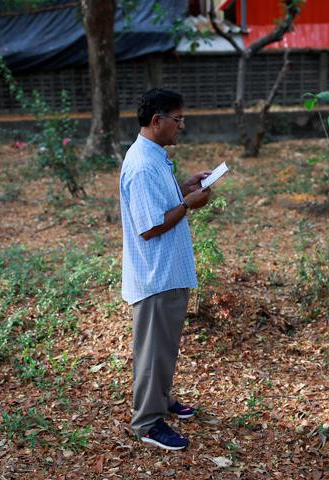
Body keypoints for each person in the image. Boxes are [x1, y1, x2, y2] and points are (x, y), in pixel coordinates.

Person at [119, 88, 211, 450]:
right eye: (178, 119)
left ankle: (161, 398)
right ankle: (147, 421)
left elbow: (158, 204)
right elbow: (150, 225)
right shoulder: (142, 165)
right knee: (153, 351)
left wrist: (183, 189)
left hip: (166, 271)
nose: (182, 126)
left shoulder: (154, 156)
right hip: (155, 276)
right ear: (157, 121)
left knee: (163, 347)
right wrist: (187, 204)